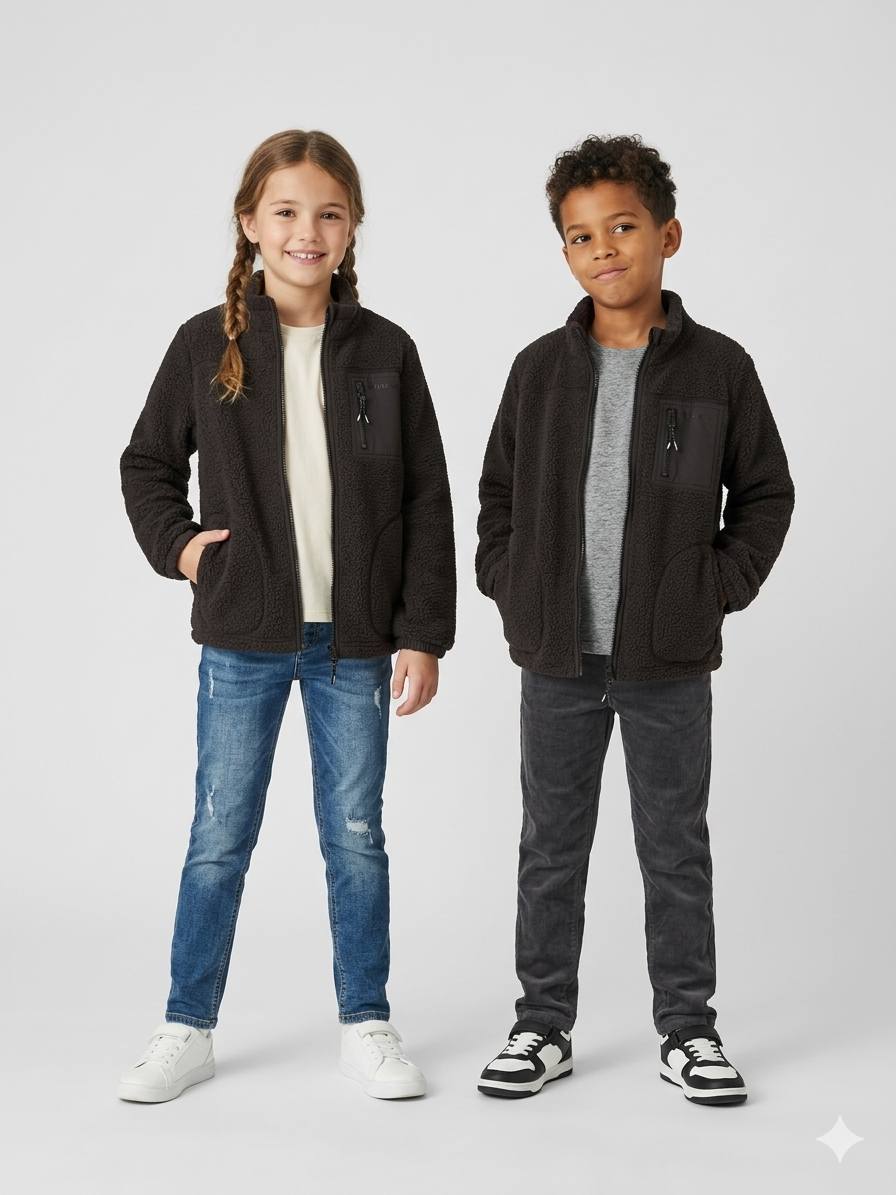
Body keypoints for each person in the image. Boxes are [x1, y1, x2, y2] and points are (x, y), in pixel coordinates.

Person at [117, 129, 455, 1104]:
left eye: (328, 213)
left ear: (351, 228)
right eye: (287, 211)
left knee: (355, 835)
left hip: (355, 642)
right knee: (219, 834)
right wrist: (184, 548)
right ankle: (187, 1026)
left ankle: (366, 1022)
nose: (308, 230)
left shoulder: (385, 351)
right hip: (243, 638)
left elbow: (427, 496)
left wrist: (422, 630)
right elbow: (146, 464)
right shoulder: (206, 343)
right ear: (250, 223)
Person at [474, 133, 794, 1105]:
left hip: (667, 660)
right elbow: (496, 498)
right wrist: (511, 584)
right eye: (580, 236)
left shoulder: (719, 368)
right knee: (550, 847)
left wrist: (712, 588)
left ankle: (688, 1030)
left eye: (621, 227)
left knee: (673, 848)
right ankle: (542, 1024)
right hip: (557, 658)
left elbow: (765, 495)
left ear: (667, 235)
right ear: (564, 252)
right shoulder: (537, 370)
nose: (602, 249)